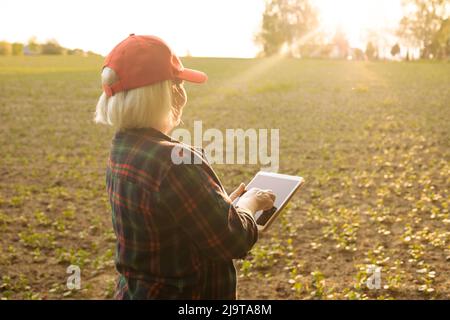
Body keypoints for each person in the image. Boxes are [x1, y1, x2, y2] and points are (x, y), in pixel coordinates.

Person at [94, 34, 275, 299]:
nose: (182, 93)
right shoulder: (175, 162)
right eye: (177, 83)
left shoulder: (121, 149)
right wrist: (250, 203)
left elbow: (169, 224)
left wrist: (222, 208)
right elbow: (233, 240)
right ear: (163, 93)